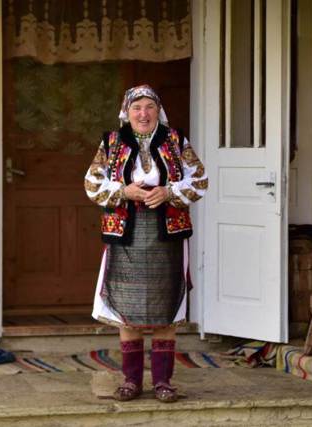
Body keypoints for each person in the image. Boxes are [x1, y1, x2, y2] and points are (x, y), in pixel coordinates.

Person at [84, 85, 208, 402]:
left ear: (158, 111)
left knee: (166, 307)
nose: (143, 114)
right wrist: (124, 191)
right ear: (127, 112)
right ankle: (132, 381)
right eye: (136, 107)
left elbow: (200, 180)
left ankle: (163, 382)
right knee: (127, 309)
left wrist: (169, 192)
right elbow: (92, 184)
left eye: (149, 107)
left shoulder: (176, 141)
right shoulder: (112, 143)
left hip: (166, 233)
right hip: (125, 233)